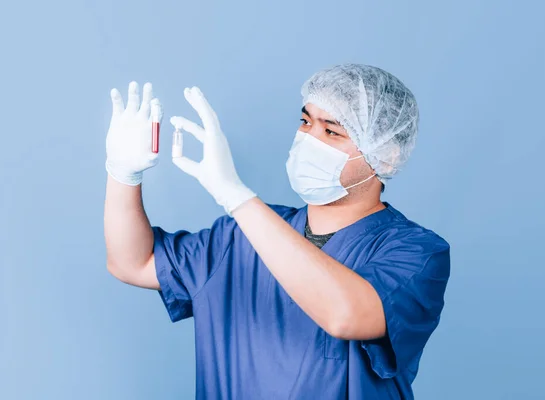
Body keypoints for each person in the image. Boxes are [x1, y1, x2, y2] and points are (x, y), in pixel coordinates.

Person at [104, 64, 451, 400]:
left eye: (331, 132)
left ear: (386, 157)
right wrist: (123, 175)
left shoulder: (417, 253)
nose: (309, 140)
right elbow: (133, 262)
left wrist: (236, 196)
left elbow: (345, 314)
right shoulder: (238, 237)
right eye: (305, 122)